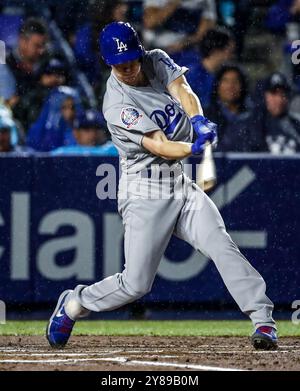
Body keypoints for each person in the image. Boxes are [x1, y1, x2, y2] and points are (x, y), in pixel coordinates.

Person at [46, 22, 278, 351]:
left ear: (140, 52)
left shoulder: (154, 59)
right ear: (108, 62)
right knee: (136, 284)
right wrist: (192, 148)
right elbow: (158, 144)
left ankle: (263, 319)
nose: (126, 69)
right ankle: (74, 303)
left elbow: (183, 91)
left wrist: (197, 120)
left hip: (179, 183)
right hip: (144, 190)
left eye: (130, 61)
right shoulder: (115, 103)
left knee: (221, 244)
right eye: (118, 64)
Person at [0, 18, 48, 128]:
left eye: (43, 45)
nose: (41, 50)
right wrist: (40, 86)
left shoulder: (47, 64)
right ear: (23, 42)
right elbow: (9, 108)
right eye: (37, 46)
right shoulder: (5, 65)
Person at [206, 64, 266, 152]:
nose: (230, 86)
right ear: (217, 86)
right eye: (225, 81)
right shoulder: (206, 116)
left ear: (243, 86)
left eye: (235, 81)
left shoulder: (255, 117)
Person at [185, 28, 235, 108]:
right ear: (216, 50)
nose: (231, 56)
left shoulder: (223, 74)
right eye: (229, 51)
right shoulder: (191, 74)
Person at [254, 72, 300, 154]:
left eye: (283, 94)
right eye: (274, 93)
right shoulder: (252, 124)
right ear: (265, 95)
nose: (279, 99)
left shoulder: (296, 125)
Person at [51, 109, 118, 156]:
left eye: (97, 128)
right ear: (76, 133)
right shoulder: (62, 154)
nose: (93, 133)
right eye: (87, 129)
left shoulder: (116, 149)